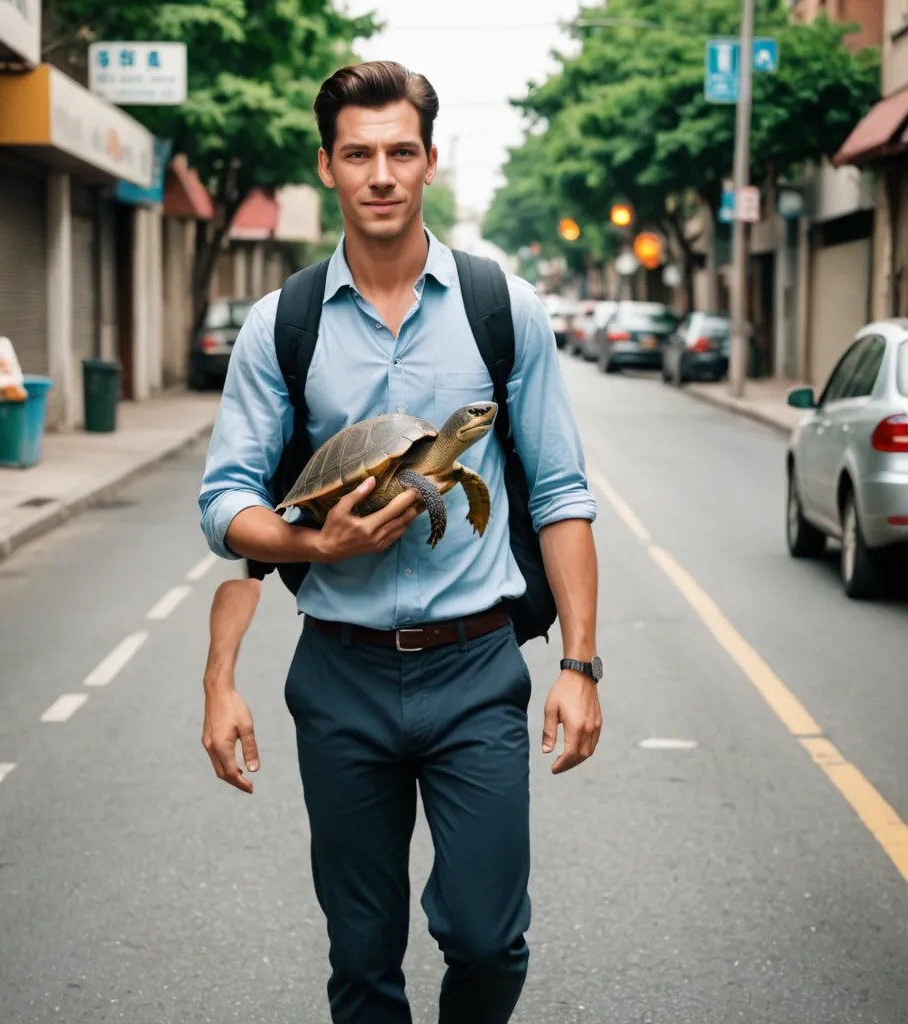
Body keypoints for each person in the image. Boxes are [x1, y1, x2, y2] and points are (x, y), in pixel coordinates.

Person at [199, 60, 602, 1024]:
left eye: (400, 152)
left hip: (476, 668)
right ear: (330, 167)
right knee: (363, 954)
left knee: (486, 938)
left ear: (428, 165)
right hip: (340, 676)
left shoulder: (504, 310)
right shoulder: (281, 324)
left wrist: (581, 663)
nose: (380, 173)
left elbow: (558, 492)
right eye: (358, 154)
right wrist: (315, 548)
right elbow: (226, 503)